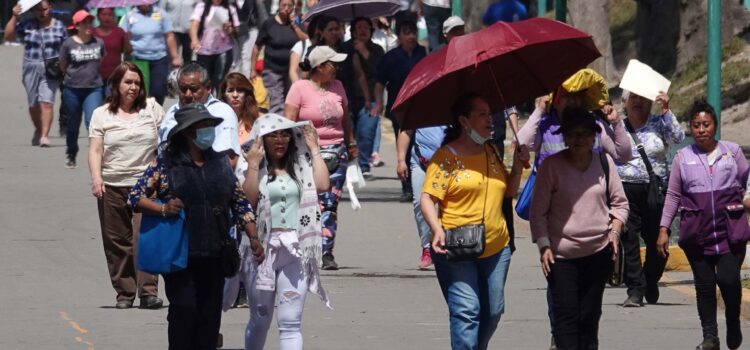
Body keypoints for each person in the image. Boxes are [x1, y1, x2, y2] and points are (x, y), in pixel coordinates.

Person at [129, 103, 263, 350]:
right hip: (180, 255)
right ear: (188, 132)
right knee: (184, 311)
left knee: (209, 319)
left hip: (216, 252)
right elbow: (136, 197)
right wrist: (163, 208)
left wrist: (253, 236)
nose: (209, 132)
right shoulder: (165, 164)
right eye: (203, 127)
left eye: (211, 126)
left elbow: (240, 201)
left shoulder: (221, 162)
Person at [420, 94, 527, 349]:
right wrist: (436, 229)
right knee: (467, 311)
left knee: (492, 311)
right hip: (456, 247)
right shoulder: (446, 157)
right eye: (481, 114)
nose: (490, 119)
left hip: (496, 247)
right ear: (464, 121)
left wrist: (518, 167)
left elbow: (508, 191)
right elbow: (427, 198)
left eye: (490, 113)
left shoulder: (490, 151)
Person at [530, 107, 629, 350]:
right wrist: (544, 246)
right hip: (561, 257)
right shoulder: (551, 167)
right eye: (573, 134)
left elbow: (620, 203)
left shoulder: (604, 163)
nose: (579, 139)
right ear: (564, 137)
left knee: (589, 317)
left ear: (594, 136)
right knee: (566, 319)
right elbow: (538, 212)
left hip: (598, 253)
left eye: (585, 134)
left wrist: (614, 232)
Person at [657, 100, 750, 350]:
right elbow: (673, 195)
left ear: (715, 126)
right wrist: (664, 229)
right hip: (697, 233)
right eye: (696, 125)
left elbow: (747, 179)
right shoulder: (682, 158)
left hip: (731, 231)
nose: (701, 129)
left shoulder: (732, 153)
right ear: (691, 128)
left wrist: (747, 197)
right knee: (705, 286)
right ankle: (710, 337)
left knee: (729, 280)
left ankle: (733, 321)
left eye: (706, 124)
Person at [242, 115, 331, 350]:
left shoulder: (302, 165)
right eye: (273, 135)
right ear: (262, 140)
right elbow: (247, 200)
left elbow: (322, 185)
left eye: (284, 135)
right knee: (260, 320)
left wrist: (314, 149)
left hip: (295, 249)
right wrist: (252, 164)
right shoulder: (251, 165)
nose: (280, 140)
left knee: (290, 322)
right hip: (260, 251)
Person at [88, 62, 164, 310]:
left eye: (136, 82)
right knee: (116, 240)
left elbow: (166, 143)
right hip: (112, 184)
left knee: (145, 238)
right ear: (116, 85)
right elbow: (96, 150)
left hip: (145, 186)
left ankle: (148, 291)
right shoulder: (101, 114)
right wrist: (97, 178)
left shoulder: (152, 109)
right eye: (127, 82)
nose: (133, 87)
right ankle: (125, 292)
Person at [284, 45, 355, 270]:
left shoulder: (338, 87)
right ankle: (304, 246)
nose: (336, 68)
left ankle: (326, 250)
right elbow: (288, 122)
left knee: (330, 204)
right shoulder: (299, 88)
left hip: (336, 152)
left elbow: (346, 119)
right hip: (305, 154)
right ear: (319, 66)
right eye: (332, 64)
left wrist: (351, 142)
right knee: (307, 202)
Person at [616, 90, 685, 308]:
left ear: (650, 102)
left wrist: (666, 110)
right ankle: (635, 290)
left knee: (659, 242)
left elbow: (678, 138)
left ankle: (650, 279)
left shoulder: (659, 123)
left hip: (656, 190)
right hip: (625, 189)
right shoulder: (616, 126)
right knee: (629, 241)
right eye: (633, 98)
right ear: (625, 102)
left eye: (642, 98)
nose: (637, 102)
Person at [373, 20, 426, 202]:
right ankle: (407, 188)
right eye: (406, 32)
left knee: (421, 146)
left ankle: (423, 185)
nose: (411, 36)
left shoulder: (423, 54)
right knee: (404, 145)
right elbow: (379, 83)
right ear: (399, 36)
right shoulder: (391, 57)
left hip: (421, 108)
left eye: (413, 32)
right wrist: (378, 102)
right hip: (399, 109)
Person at [4, 1, 67, 148]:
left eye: (44, 9)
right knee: (33, 103)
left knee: (47, 102)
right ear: (32, 11)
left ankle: (45, 136)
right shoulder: (27, 24)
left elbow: (66, 49)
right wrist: (14, 16)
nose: (41, 13)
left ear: (50, 8)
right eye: (38, 10)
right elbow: (8, 37)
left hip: (51, 67)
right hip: (31, 65)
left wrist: (65, 67)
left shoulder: (59, 26)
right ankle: (38, 130)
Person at [159, 63, 241, 166]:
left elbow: (230, 158)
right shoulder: (172, 111)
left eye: (194, 89)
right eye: (183, 89)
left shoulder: (222, 112)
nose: (188, 95)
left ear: (208, 88)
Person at [59, 10, 105, 169]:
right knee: (73, 123)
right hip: (72, 89)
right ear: (77, 25)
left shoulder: (98, 42)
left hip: (94, 88)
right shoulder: (68, 44)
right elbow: (63, 65)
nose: (88, 25)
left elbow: (101, 61)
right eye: (84, 22)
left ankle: (98, 154)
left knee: (92, 122)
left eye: (90, 22)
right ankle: (71, 152)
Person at [342, 17, 385, 179]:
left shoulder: (377, 50)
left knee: (367, 132)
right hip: (348, 97)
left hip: (372, 99)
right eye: (359, 27)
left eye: (366, 28)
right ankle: (348, 165)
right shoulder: (344, 48)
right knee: (349, 133)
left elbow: (380, 70)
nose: (362, 30)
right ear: (352, 31)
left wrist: (364, 52)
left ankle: (364, 165)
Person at [120, 1, 182, 105]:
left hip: (159, 58)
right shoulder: (129, 15)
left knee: (159, 91)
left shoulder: (161, 14)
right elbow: (122, 36)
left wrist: (175, 56)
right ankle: (138, 113)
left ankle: (156, 113)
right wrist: (126, 41)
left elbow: (169, 36)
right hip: (137, 59)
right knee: (138, 91)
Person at [251, 0, 305, 113]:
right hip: (272, 71)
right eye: (284, 5)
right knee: (277, 103)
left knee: (290, 102)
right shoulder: (269, 24)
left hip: (291, 71)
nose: (286, 8)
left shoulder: (295, 24)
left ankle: (288, 127)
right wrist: (253, 69)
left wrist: (295, 26)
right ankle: (278, 130)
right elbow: (257, 47)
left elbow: (306, 40)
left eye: (289, 6)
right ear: (279, 6)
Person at [189, 0, 240, 92]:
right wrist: (194, 39)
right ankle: (206, 101)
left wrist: (230, 29)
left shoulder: (230, 8)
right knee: (205, 80)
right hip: (204, 50)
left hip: (223, 50)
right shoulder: (202, 6)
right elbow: (194, 24)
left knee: (219, 79)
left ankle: (218, 101)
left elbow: (237, 30)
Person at [93, 7, 131, 89]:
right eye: (104, 14)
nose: (107, 17)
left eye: (110, 14)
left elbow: (127, 51)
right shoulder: (92, 33)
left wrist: (127, 40)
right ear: (98, 16)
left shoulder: (119, 32)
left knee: (111, 100)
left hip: (114, 76)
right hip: (94, 77)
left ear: (114, 16)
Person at [219, 72, 260, 147]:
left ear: (246, 94)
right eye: (230, 90)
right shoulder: (216, 119)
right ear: (224, 94)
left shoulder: (258, 119)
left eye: (240, 90)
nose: (235, 95)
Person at [231, 0, 262, 77]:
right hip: (234, 33)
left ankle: (245, 83)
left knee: (246, 59)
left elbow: (261, 16)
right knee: (235, 60)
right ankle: (234, 83)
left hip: (250, 30)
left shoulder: (253, 2)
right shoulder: (230, 2)